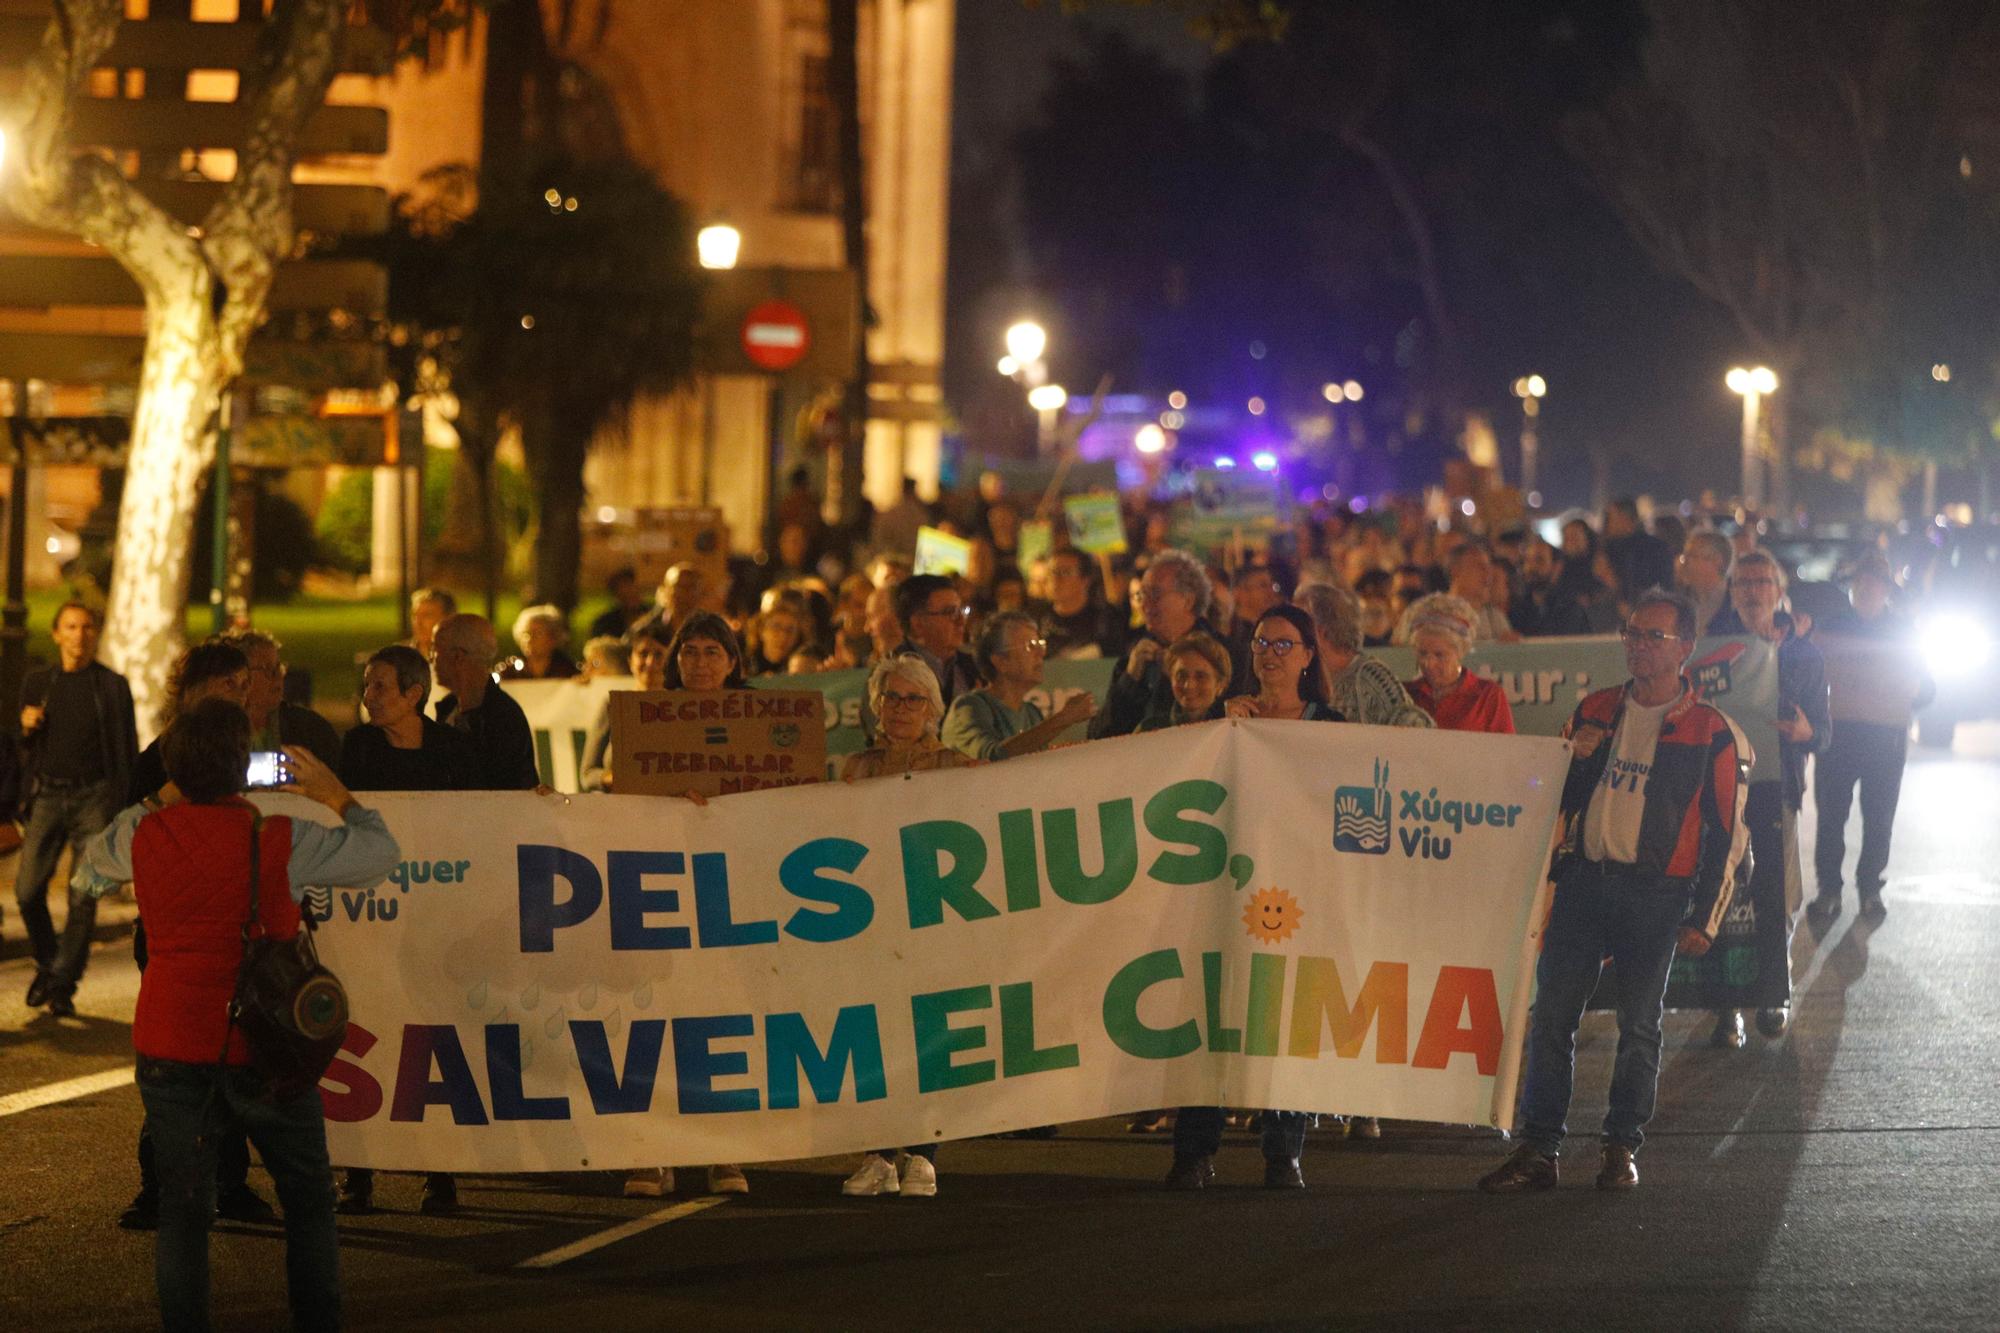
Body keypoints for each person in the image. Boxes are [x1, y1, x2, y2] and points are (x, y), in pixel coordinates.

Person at [70, 697, 399, 1333]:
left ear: (173, 769)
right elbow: (377, 854)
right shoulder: (280, 839)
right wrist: (337, 795)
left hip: (171, 1044)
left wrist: (160, 798)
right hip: (265, 1050)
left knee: (184, 1212)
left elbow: (86, 877)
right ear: (240, 771)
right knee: (306, 1204)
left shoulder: (141, 835)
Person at [1479, 589, 1750, 1195]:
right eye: (1632, 633)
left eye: (1653, 636)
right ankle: (1539, 1148)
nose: (1638, 645)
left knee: (1639, 1026)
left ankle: (1621, 1145)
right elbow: (1546, 792)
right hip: (1583, 882)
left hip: (1655, 895)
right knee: (1551, 1017)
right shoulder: (1595, 710)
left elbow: (1730, 833)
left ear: (1685, 649)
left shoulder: (1711, 731)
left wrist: (1705, 915)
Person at [119, 640, 270, 1232]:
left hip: (232, 936)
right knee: (176, 1064)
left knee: (231, 1063)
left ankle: (229, 1183)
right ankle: (160, 1185)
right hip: (173, 933)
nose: (241, 693)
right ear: (196, 689)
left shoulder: (250, 753)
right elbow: (130, 839)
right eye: (230, 684)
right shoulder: (160, 759)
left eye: (245, 683)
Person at [336, 646, 484, 1214]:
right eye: (367, 686)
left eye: (380, 687)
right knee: (367, 1032)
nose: (368, 697)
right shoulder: (358, 748)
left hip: (436, 916)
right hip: (372, 914)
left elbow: (483, 823)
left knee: (433, 1039)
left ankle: (440, 1172)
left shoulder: (455, 751)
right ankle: (359, 1173)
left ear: (414, 694)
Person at [620, 610, 753, 1200]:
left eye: (712, 652)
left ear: (733, 663)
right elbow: (621, 789)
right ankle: (657, 1150)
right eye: (690, 651)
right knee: (661, 1014)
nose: (700, 662)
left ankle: (725, 1149)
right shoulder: (647, 722)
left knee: (725, 1017)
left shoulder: (761, 720)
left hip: (736, 884)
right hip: (663, 882)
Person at [838, 654, 973, 1197]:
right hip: (869, 919)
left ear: (932, 709)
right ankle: (876, 1155)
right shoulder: (856, 768)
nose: (900, 709)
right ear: (876, 705)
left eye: (912, 699)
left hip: (930, 918)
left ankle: (922, 1152)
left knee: (924, 1031)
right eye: (891, 698)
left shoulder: (956, 767)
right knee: (872, 1032)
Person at [1705, 550, 1828, 1048]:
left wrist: (1805, 730)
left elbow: (1824, 732)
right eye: (1743, 583)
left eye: (1762, 581)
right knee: (1716, 892)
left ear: (1778, 590)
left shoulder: (1803, 652)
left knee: (1774, 895)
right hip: (1719, 785)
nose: (1753, 591)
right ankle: (1724, 1007)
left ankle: (1774, 993)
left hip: (1776, 786)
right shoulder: (1712, 645)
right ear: (1732, 593)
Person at [17, 602, 138, 1019]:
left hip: (95, 797)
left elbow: (127, 749)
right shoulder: (39, 682)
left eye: (87, 627)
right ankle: (52, 966)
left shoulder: (111, 685)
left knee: (82, 894)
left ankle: (63, 982)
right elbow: (19, 748)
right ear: (56, 634)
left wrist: (124, 808)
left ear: (96, 634)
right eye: (70, 627)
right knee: (27, 890)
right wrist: (25, 726)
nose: (79, 635)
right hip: (48, 796)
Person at [1810, 552, 1932, 923]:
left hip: (1886, 740)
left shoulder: (1905, 632)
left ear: (1885, 590)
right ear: (1853, 586)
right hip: (1839, 736)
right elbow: (1811, 675)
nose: (1868, 589)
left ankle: (1870, 890)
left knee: (1879, 819)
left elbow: (1927, 688)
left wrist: (1916, 689)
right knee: (1831, 817)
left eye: (1876, 583)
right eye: (1862, 582)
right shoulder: (1829, 627)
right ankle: (1829, 889)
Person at [1090, 548, 1238, 739]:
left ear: (1188, 600)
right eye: (1141, 596)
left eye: (1155, 594)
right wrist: (1130, 681)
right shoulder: (1136, 659)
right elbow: (1099, 735)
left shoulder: (1228, 656)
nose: (1146, 605)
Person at [941, 611, 1096, 762]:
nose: (1041, 653)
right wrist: (1064, 718)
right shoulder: (969, 708)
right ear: (1001, 662)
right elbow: (991, 759)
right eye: (1030, 646)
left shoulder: (1031, 712)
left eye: (1040, 644)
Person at [1294, 584, 1433, 730]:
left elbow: (1415, 728)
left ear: (1321, 631)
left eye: (1298, 624)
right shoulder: (1305, 677)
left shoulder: (1370, 679)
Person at [433, 613, 542, 790]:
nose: (432, 659)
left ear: (458, 657)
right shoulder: (448, 708)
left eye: (435, 651)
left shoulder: (503, 718)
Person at [222, 630, 341, 769]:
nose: (278, 677)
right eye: (268, 669)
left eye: (279, 668)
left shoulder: (310, 731)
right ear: (240, 676)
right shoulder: (216, 733)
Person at [1401, 594, 1516, 734]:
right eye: (1423, 653)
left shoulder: (1487, 695)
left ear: (1460, 652)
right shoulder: (1405, 695)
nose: (1429, 663)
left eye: (1439, 655)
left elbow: (1505, 750)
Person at [580, 628, 670, 791]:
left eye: (658, 655)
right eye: (643, 654)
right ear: (630, 660)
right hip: (621, 809)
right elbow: (588, 774)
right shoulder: (613, 705)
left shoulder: (683, 709)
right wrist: (616, 779)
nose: (650, 662)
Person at [1222, 604, 1342, 724]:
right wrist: (1228, 725)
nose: (1268, 653)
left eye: (1283, 644)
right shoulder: (1238, 713)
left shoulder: (1328, 723)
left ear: (1307, 656)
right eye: (1261, 642)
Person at [890, 573, 981, 706]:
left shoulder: (972, 666)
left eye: (961, 611)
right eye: (950, 612)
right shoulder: (892, 674)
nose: (961, 621)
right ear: (918, 624)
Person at [1041, 547, 1129, 660]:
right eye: (1052, 572)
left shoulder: (1107, 620)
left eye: (1065, 572)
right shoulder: (1036, 618)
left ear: (1085, 580)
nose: (1055, 579)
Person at [1134, 632, 1232, 732]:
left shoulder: (1231, 730)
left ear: (1221, 685)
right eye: (1181, 676)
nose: (1189, 685)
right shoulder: (1149, 731)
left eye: (1200, 676)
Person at [1603, 499, 1674, 604]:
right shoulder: (1607, 548)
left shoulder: (1653, 549)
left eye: (1611, 517)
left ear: (1624, 518)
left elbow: (1660, 585)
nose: (1607, 522)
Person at [1675, 530, 1735, 636]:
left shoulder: (1737, 599)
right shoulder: (1678, 599)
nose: (1684, 563)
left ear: (1717, 561)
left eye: (1692, 556)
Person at [499, 604, 578, 680]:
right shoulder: (510, 673)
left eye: (538, 633)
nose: (530, 639)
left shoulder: (568, 671)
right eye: (526, 633)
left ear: (553, 637)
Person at [588, 567, 648, 641]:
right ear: (616, 597)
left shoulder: (652, 617)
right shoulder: (605, 624)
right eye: (624, 596)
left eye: (632, 588)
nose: (629, 592)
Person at [408, 587, 457, 660]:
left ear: (448, 619)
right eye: (415, 615)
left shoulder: (460, 658)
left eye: (427, 615)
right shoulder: (397, 655)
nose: (418, 622)